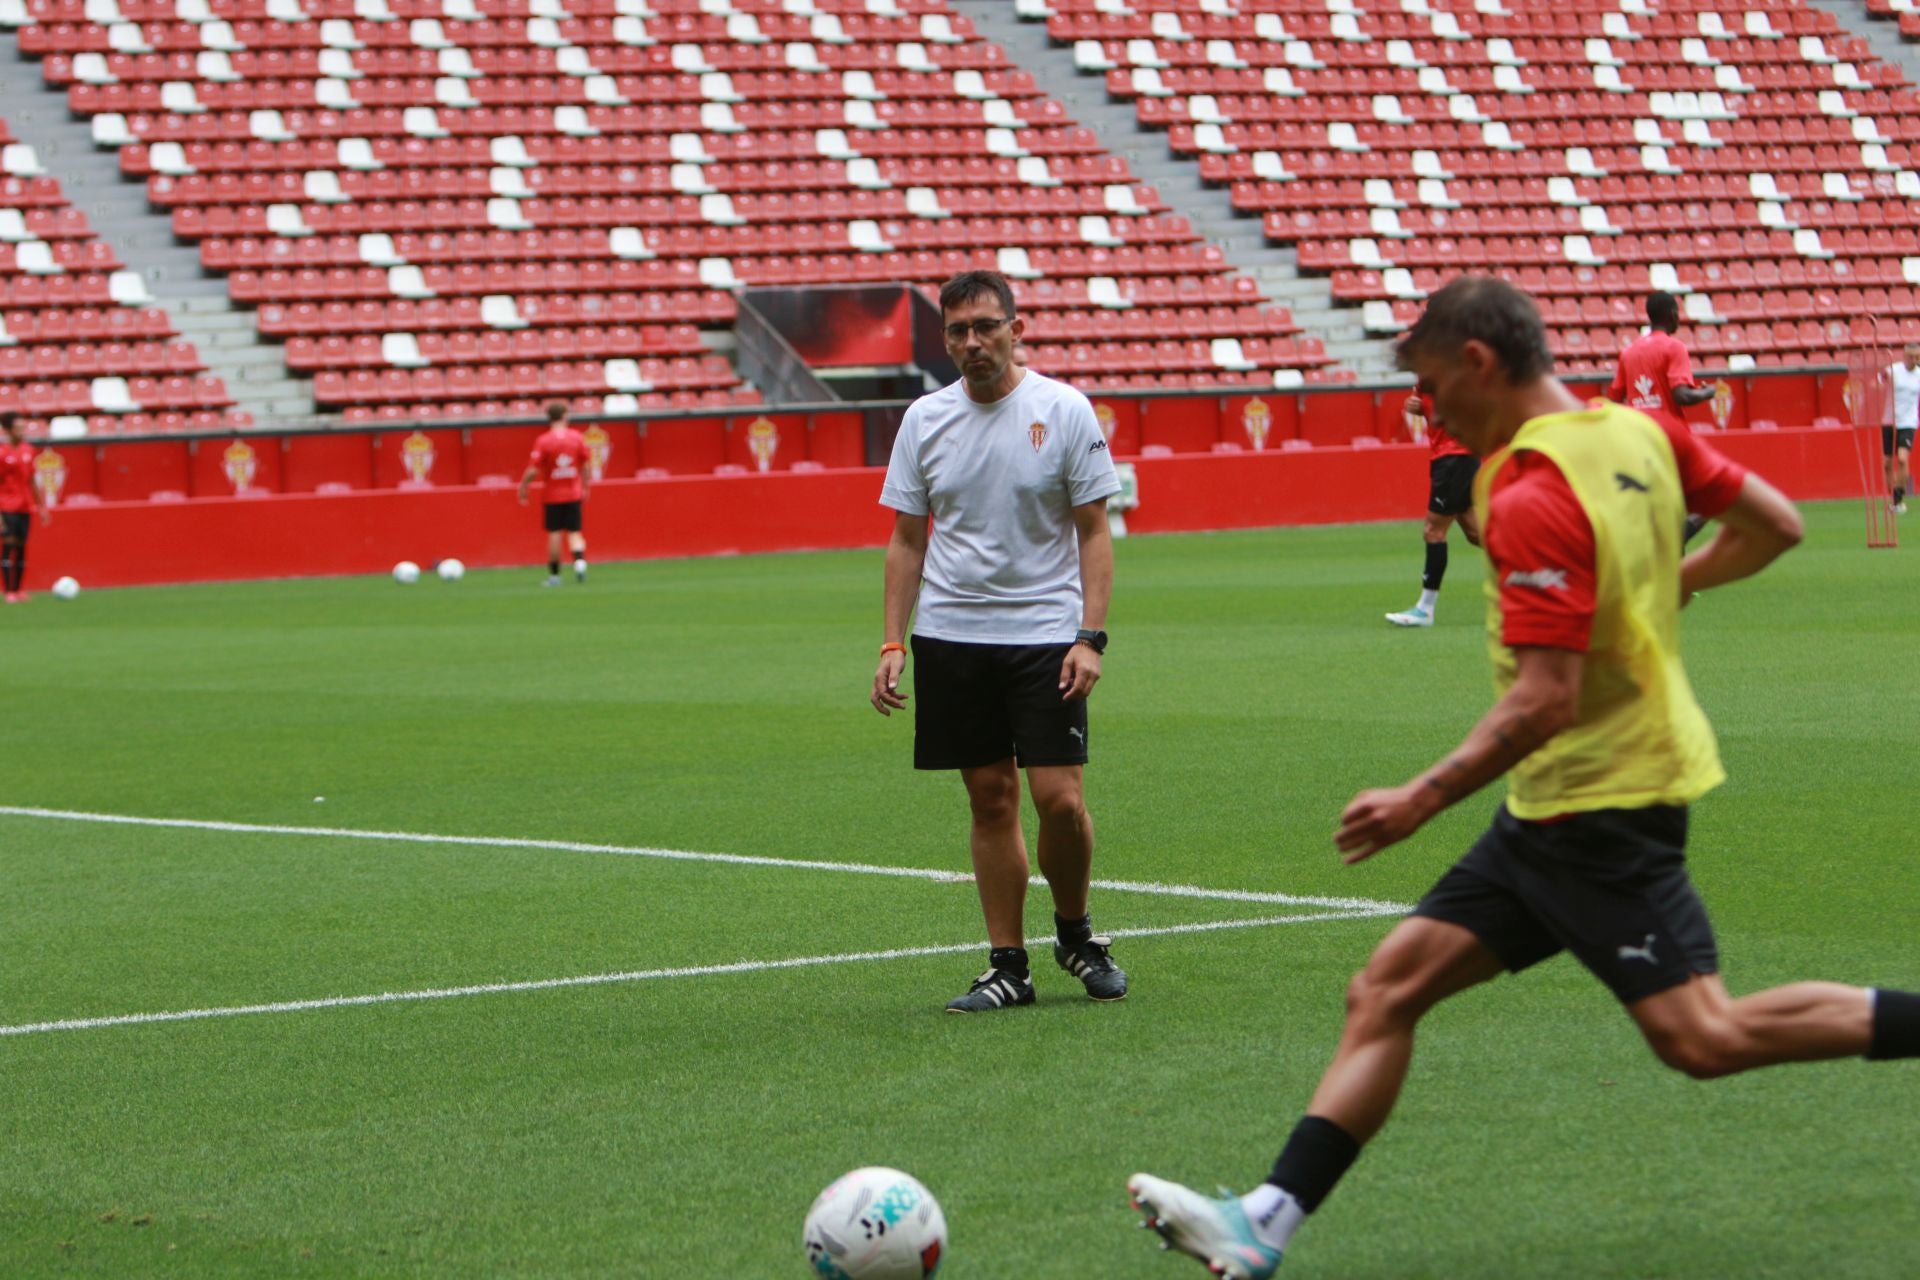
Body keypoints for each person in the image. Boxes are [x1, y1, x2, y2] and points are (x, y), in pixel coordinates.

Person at [1126, 276, 1920, 1280]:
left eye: (1426, 385)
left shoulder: (1533, 492)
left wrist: (1421, 794)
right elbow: (1776, 522)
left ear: (1477, 363)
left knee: (1703, 1033)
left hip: (1604, 805)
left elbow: (1543, 697)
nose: (1426, 409)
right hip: (1552, 805)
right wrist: (1670, 582)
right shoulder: (1634, 436)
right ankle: (1264, 1220)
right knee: (1384, 987)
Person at [870, 269, 1126, 1014]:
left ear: (1018, 328)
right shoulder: (924, 420)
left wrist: (1091, 636)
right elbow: (907, 540)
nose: (973, 342)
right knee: (989, 800)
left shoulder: (1063, 409)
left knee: (1061, 800)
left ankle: (1075, 934)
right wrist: (893, 643)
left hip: (1045, 635)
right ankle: (1007, 964)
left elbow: (1094, 532)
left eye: (986, 326)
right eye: (958, 331)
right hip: (953, 637)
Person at [1608, 290, 1717, 542]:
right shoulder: (1674, 347)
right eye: (1677, 312)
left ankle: (1664, 553)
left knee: (1655, 508)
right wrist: (1708, 393)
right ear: (1670, 315)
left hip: (1638, 440)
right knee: (1709, 497)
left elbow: (1614, 400)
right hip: (1670, 439)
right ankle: (1676, 542)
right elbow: (1681, 396)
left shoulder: (1629, 352)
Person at [1384, 390, 1479, 628]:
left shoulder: (1455, 367)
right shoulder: (1430, 371)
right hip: (1450, 455)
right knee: (1477, 534)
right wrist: (1418, 407)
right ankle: (1542, 568)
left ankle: (1425, 609)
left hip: (1455, 456)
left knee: (1433, 530)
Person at [517, 401, 590, 586]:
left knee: (555, 533)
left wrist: (523, 486)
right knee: (574, 532)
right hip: (573, 493)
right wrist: (585, 486)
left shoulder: (544, 440)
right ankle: (580, 561)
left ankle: (555, 576)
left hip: (553, 495)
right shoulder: (577, 437)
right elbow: (587, 464)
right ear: (564, 415)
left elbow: (533, 469)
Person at [0, 412, 50, 604]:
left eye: (23, 427)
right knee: (9, 546)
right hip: (7, 506)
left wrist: (41, 507)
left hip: (24, 507)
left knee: (21, 548)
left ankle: (19, 589)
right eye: (18, 428)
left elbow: (32, 481)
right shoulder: (2, 453)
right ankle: (8, 591)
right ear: (8, 430)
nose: (22, 431)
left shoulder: (28, 450)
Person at [1883, 343, 1917, 515]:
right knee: (1887, 463)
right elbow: (1879, 381)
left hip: (1908, 422)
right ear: (1904, 356)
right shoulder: (1893, 370)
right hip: (1889, 420)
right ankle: (1893, 497)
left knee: (1902, 459)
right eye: (1911, 356)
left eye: (1917, 357)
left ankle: (1898, 497)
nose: (1914, 360)